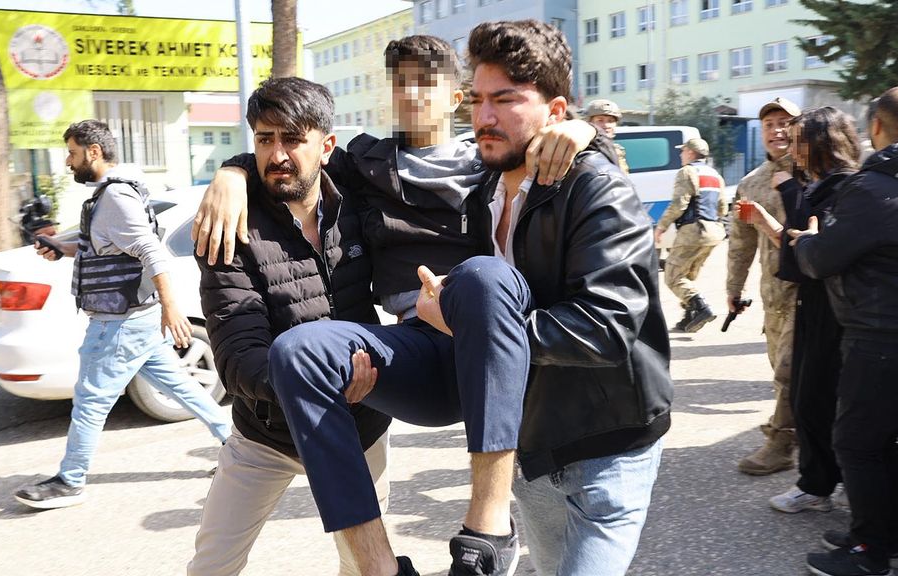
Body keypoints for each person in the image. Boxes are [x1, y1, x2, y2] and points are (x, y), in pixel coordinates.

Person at [194, 35, 596, 576]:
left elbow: (557, 143)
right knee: (297, 358)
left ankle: (489, 523)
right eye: (400, 82)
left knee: (482, 276)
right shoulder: (367, 167)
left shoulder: (491, 156)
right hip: (346, 383)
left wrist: (584, 130)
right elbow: (295, 152)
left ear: (457, 96)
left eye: (426, 82)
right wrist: (231, 171)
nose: (411, 94)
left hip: (487, 331)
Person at [433, 20, 670, 576]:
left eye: (505, 100)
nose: (484, 116)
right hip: (530, 444)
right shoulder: (482, 190)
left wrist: (468, 327)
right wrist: (237, 170)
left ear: (556, 111)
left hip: (609, 445)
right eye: (477, 100)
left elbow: (606, 326)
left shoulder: (596, 186)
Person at [187, 77, 394, 576]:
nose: (277, 154)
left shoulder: (357, 201)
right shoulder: (231, 228)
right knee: (211, 566)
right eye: (264, 139)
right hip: (266, 436)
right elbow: (237, 357)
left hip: (361, 428)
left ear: (326, 146)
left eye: (293, 139)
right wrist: (232, 172)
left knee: (361, 565)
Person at [13, 119, 231, 510]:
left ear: (94, 152)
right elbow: (104, 248)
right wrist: (59, 247)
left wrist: (172, 308)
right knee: (182, 387)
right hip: (136, 319)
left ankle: (70, 480)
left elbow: (150, 251)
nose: (68, 161)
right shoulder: (113, 194)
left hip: (119, 322)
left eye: (72, 153)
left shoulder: (115, 196)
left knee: (90, 401)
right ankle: (237, 445)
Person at [788, 85, 898, 576]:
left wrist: (807, 240)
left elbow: (821, 260)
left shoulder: (872, 188)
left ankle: (872, 553)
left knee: (856, 441)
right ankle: (881, 538)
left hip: (886, 335)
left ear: (876, 126)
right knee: (876, 438)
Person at [741, 108, 865, 520]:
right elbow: (799, 252)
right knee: (808, 399)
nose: (790, 148)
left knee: (825, 402)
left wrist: (791, 195)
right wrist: (769, 221)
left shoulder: (847, 187)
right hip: (812, 305)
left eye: (798, 141)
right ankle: (819, 483)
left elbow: (814, 256)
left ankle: (832, 484)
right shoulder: (817, 184)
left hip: (838, 310)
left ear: (822, 144)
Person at [726, 96, 802, 476]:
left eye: (785, 122)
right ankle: (803, 433)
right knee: (781, 370)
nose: (777, 130)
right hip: (773, 296)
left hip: (806, 293)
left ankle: (780, 444)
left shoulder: (813, 175)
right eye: (770, 124)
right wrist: (733, 288)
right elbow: (741, 243)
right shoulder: (751, 183)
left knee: (788, 372)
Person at [653, 137, 727, 332]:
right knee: (687, 276)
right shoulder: (715, 174)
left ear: (691, 153)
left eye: (683, 150)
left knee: (673, 277)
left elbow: (679, 204)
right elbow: (722, 208)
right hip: (713, 232)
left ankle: (701, 308)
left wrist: (661, 227)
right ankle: (688, 317)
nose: (680, 154)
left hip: (694, 231)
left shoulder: (687, 172)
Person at [585, 98, 630, 174]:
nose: (606, 125)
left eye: (610, 121)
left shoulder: (616, 150)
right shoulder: (585, 150)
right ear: (589, 122)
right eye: (600, 120)